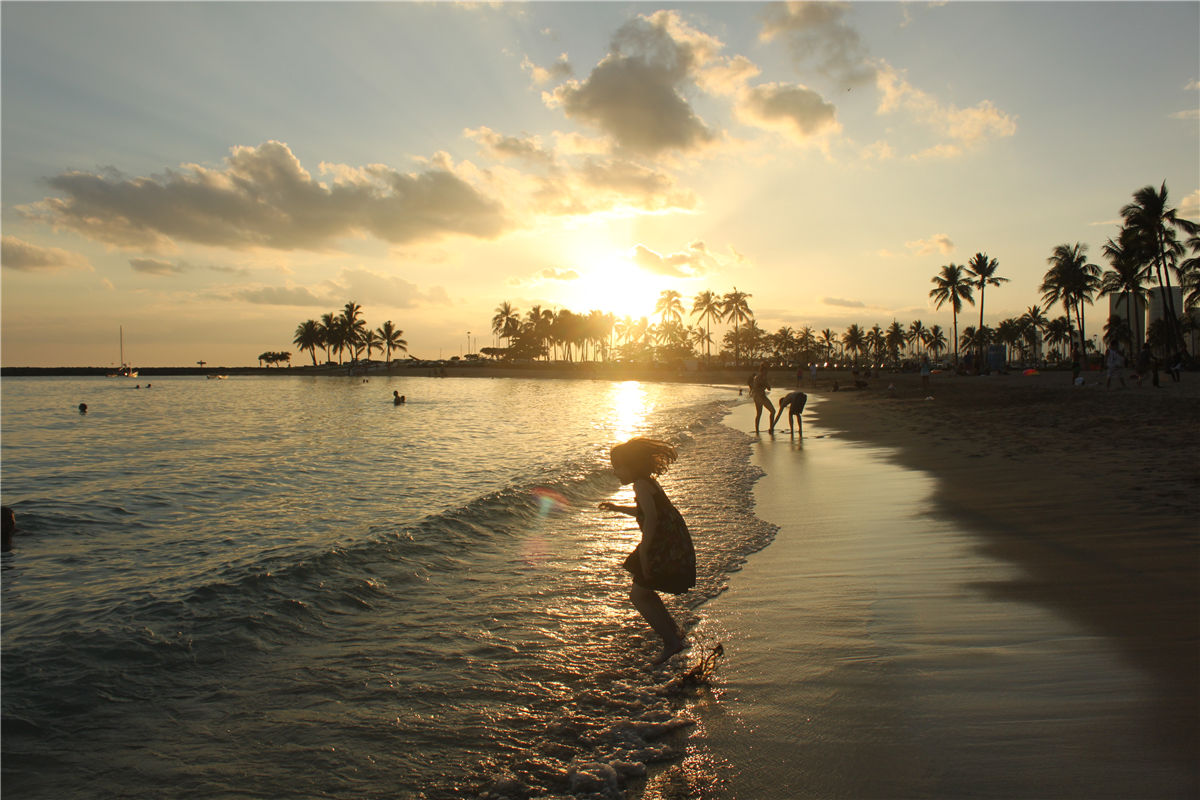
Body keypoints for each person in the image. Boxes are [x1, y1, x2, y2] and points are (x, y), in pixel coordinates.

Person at [598, 438, 695, 665]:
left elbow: (651, 518)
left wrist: (645, 552)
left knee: (638, 594)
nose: (615, 472)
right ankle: (673, 633)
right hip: (670, 539)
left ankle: (671, 641)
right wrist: (617, 508)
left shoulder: (640, 485)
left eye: (618, 468)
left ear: (631, 466)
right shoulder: (646, 482)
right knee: (644, 591)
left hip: (663, 543)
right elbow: (646, 510)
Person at [748, 363, 776, 434]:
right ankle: (771, 428)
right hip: (761, 396)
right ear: (763, 371)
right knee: (772, 411)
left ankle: (757, 429)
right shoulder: (762, 377)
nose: (767, 373)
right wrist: (768, 384)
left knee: (759, 414)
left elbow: (755, 387)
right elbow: (768, 387)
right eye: (766, 371)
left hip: (756, 397)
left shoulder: (757, 377)